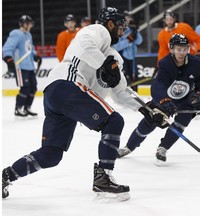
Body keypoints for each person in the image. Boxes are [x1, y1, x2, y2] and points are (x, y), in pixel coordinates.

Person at [2, 7, 168, 200]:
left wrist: (146, 109)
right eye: (121, 27)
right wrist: (104, 64)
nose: (123, 33)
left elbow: (120, 91)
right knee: (114, 121)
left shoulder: (115, 58)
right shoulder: (98, 31)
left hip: (58, 95)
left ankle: (5, 176)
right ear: (111, 23)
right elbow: (84, 43)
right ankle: (103, 177)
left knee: (51, 155)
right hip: (67, 85)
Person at [117, 33, 200, 165]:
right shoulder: (165, 63)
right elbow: (158, 85)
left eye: (185, 49)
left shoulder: (196, 63)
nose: (182, 52)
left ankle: (163, 148)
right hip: (167, 99)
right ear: (172, 49)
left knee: (181, 122)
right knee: (150, 121)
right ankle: (129, 147)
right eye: (179, 49)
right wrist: (164, 100)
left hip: (186, 101)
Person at [2, 15, 42, 117]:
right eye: (28, 23)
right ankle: (18, 108)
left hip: (29, 66)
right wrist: (8, 57)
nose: (30, 25)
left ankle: (27, 107)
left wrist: (35, 56)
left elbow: (29, 48)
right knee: (25, 88)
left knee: (33, 88)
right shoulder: (16, 33)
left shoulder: (28, 35)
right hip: (20, 67)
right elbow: (8, 46)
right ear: (23, 24)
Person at [113, 15, 143, 91]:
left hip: (132, 56)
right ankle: (123, 92)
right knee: (123, 76)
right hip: (122, 56)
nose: (128, 20)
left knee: (134, 75)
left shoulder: (131, 29)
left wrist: (136, 31)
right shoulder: (119, 30)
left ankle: (136, 93)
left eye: (129, 18)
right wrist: (127, 41)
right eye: (126, 18)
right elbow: (116, 46)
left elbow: (139, 41)